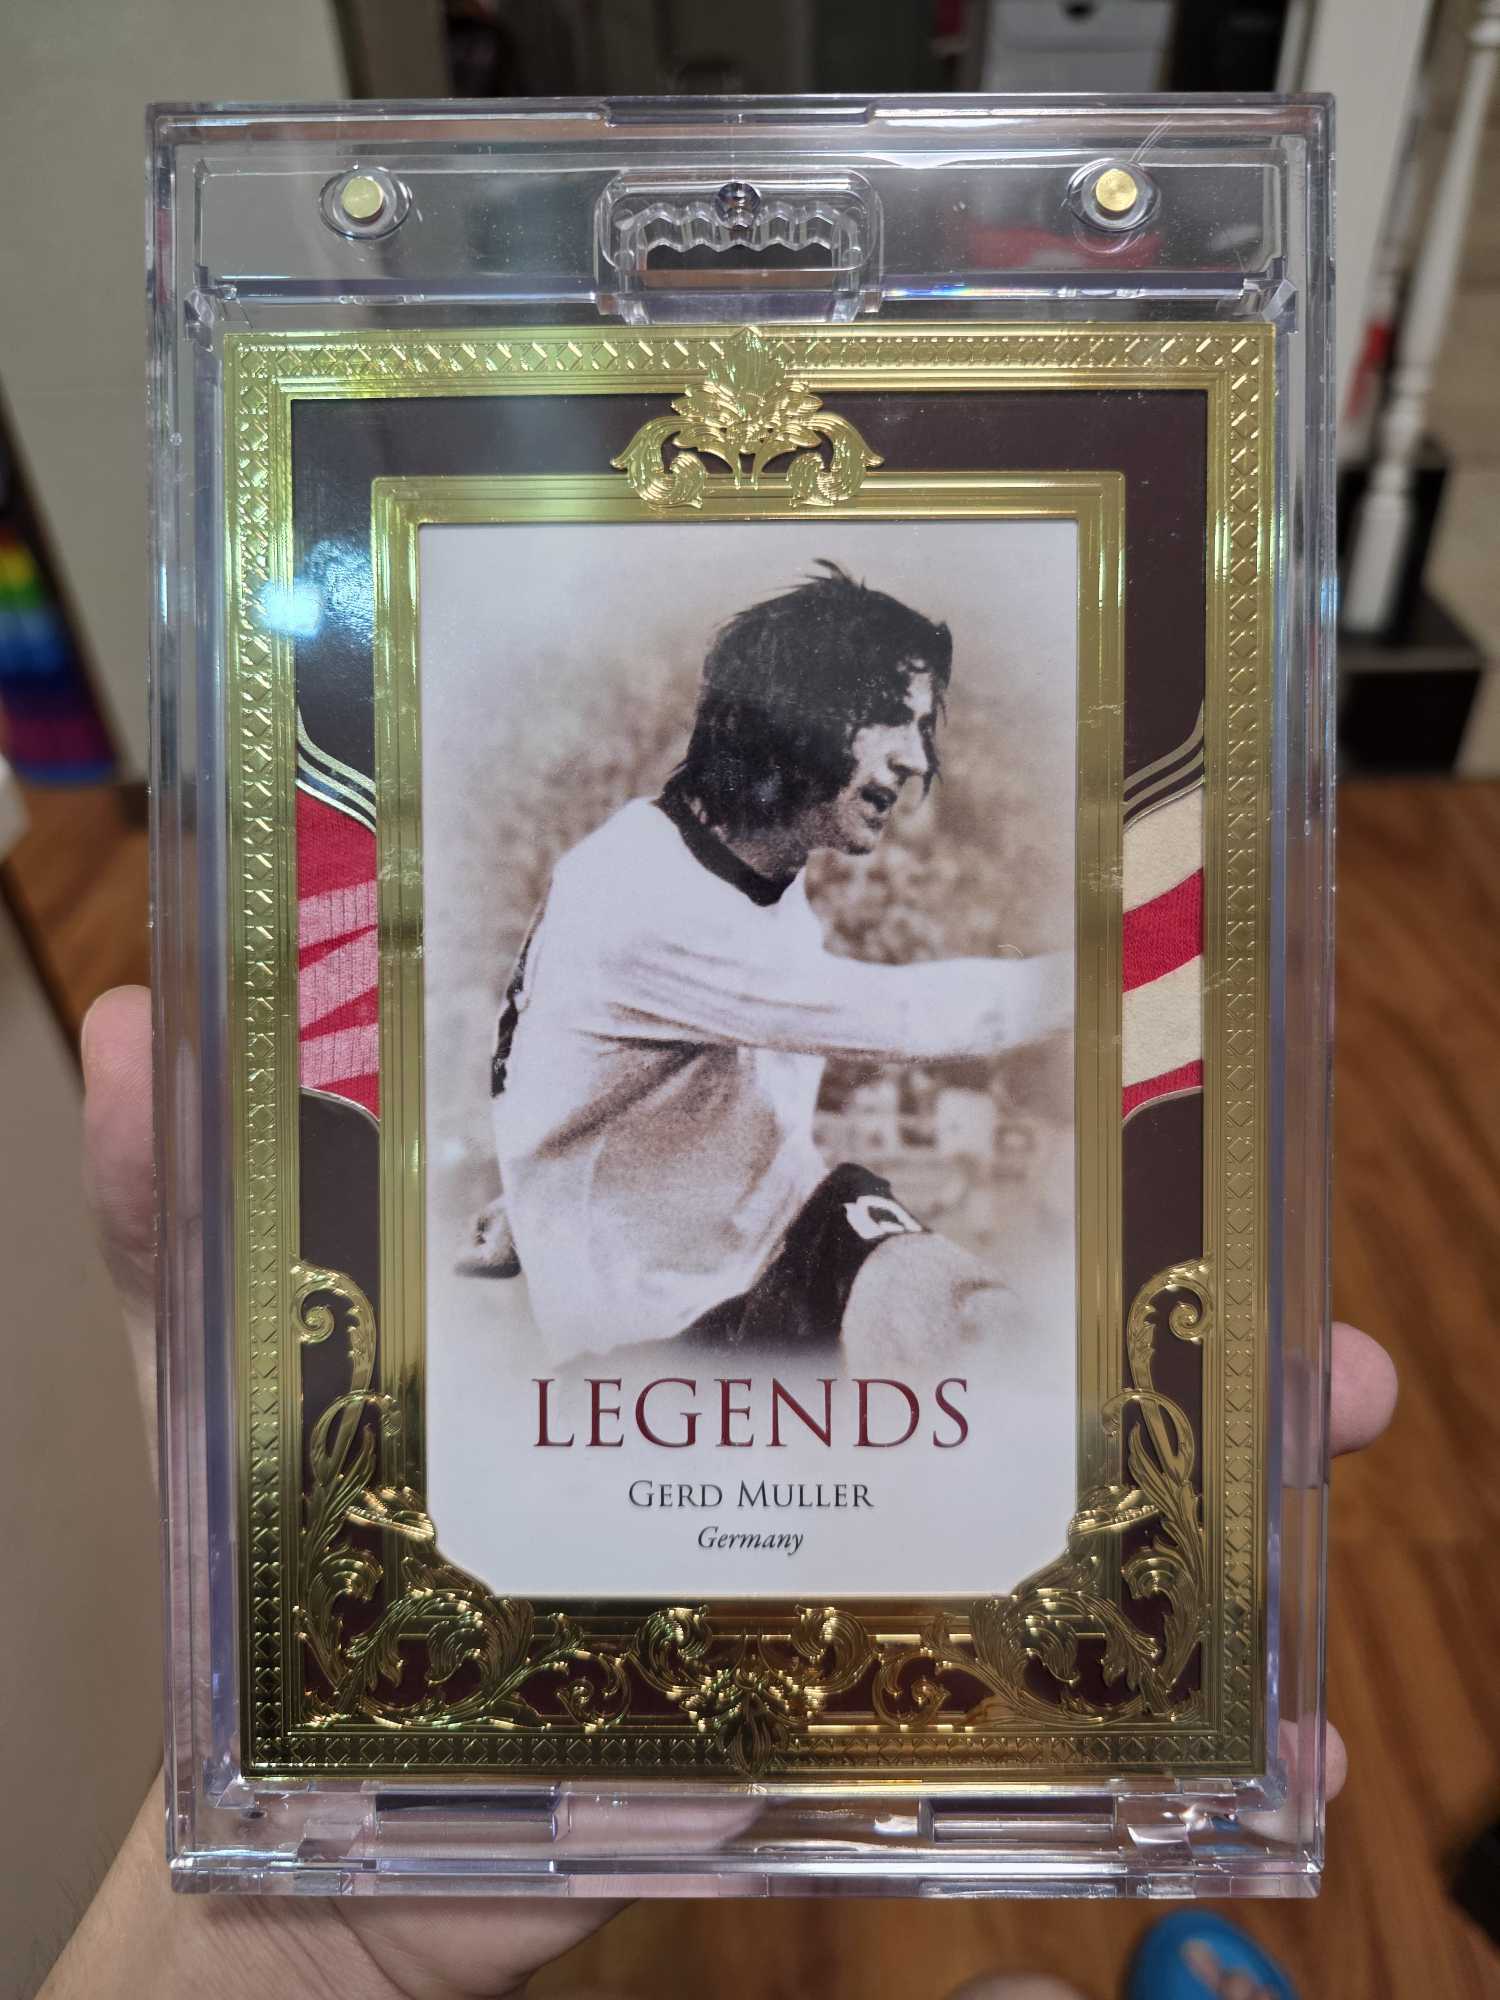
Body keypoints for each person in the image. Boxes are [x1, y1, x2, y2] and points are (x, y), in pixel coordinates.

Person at [42, 984, 1398, 2000]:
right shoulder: (555, 1191)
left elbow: (911, 1284)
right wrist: (292, 1949)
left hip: (809, 1285)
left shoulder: (798, 1163)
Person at [485, 561, 1070, 1367]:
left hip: (782, 1237)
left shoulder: (736, 863)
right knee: (964, 1348)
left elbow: (580, 1072)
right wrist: (1101, 975)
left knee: (983, 1324)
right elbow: (898, 1018)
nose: (913, 758)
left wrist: (527, 1199)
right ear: (795, 713)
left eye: (920, 726)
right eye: (887, 719)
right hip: (657, 1325)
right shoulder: (643, 895)